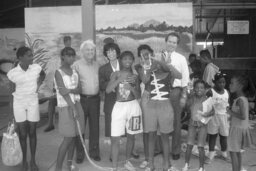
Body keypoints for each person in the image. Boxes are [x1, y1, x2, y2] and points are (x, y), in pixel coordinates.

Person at [136, 44, 181, 171]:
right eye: (143, 55)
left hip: (165, 105)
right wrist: (148, 68)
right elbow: (144, 80)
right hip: (151, 105)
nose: (147, 57)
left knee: (165, 136)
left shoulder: (167, 72)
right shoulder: (143, 69)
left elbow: (179, 76)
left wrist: (167, 64)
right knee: (151, 135)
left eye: (148, 54)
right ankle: (151, 164)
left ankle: (166, 163)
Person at [7, 46, 45, 171]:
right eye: (29, 55)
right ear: (20, 58)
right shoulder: (13, 73)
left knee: (33, 132)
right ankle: (24, 160)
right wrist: (12, 112)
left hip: (32, 102)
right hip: (19, 104)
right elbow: (11, 91)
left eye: (32, 55)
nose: (32, 57)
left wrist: (38, 85)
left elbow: (42, 75)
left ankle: (32, 160)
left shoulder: (36, 68)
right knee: (22, 133)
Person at [106, 51, 143, 171]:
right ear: (120, 60)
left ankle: (127, 161)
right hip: (119, 107)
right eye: (125, 59)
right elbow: (107, 90)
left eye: (130, 59)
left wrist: (131, 87)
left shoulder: (135, 76)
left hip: (133, 106)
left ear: (133, 61)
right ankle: (114, 166)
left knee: (131, 136)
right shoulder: (115, 74)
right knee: (115, 137)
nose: (127, 62)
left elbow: (138, 95)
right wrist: (118, 80)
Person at [54, 47, 85, 171]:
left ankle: (69, 165)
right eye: (68, 55)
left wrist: (70, 90)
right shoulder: (58, 72)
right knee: (67, 139)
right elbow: (62, 92)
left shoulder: (75, 72)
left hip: (77, 105)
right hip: (66, 107)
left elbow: (79, 90)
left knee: (74, 137)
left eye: (73, 55)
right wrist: (73, 109)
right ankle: (58, 168)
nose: (71, 58)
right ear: (62, 57)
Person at [73, 40, 101, 162]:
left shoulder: (97, 65)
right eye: (87, 50)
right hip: (81, 100)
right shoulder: (76, 65)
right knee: (81, 127)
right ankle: (80, 153)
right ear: (82, 52)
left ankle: (94, 152)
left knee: (95, 127)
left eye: (92, 50)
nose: (90, 52)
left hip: (95, 100)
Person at [163, 32, 190, 160]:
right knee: (161, 121)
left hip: (175, 92)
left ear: (177, 44)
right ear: (166, 41)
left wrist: (184, 96)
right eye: (170, 41)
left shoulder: (181, 58)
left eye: (174, 42)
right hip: (161, 93)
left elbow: (185, 79)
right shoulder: (159, 56)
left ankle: (175, 150)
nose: (171, 44)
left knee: (176, 123)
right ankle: (161, 149)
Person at [182, 80, 214, 171]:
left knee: (201, 146)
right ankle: (186, 164)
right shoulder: (192, 98)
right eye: (197, 87)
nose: (199, 89)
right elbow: (186, 108)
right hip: (192, 123)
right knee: (189, 145)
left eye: (201, 88)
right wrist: (187, 96)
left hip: (203, 125)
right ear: (194, 89)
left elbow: (213, 111)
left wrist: (207, 115)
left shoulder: (208, 99)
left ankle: (201, 167)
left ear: (205, 89)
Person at [44, 35, 72, 132]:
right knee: (52, 102)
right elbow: (54, 74)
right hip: (59, 88)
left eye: (69, 41)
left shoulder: (73, 56)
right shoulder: (59, 57)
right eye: (67, 41)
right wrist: (53, 87)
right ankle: (50, 123)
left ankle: (69, 123)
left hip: (70, 89)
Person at [227, 74, 254, 171]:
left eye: (232, 83)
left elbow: (243, 116)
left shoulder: (240, 100)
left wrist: (230, 112)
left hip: (237, 130)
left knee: (233, 152)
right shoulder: (242, 99)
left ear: (240, 86)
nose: (229, 85)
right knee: (237, 152)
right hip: (239, 128)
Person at [99, 42, 121, 139]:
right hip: (110, 97)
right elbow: (101, 84)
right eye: (108, 52)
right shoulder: (103, 69)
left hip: (123, 96)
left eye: (113, 51)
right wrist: (111, 85)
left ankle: (121, 137)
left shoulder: (124, 64)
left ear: (117, 52)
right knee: (110, 117)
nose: (111, 54)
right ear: (106, 54)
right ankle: (110, 137)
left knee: (122, 118)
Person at [207, 72, 230, 162]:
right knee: (212, 136)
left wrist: (229, 116)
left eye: (223, 82)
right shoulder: (210, 91)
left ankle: (224, 154)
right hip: (213, 117)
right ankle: (211, 154)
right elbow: (206, 104)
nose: (222, 84)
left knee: (224, 136)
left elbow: (228, 105)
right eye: (219, 82)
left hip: (224, 117)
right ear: (214, 82)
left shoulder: (226, 92)